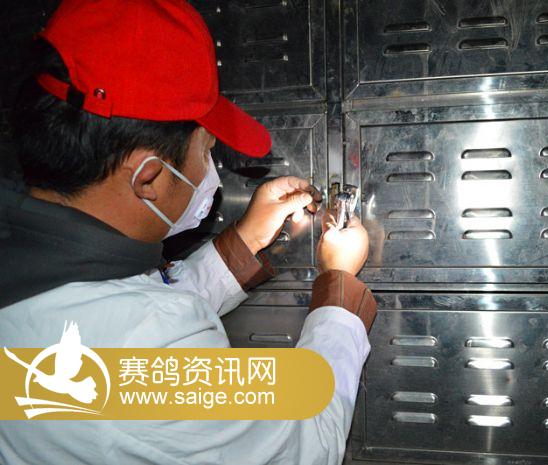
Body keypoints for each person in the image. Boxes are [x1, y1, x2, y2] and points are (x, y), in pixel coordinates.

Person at [0, 0, 376, 464]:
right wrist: (339, 286)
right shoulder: (146, 348)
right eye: (206, 151)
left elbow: (127, 312)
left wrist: (243, 242)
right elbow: (304, 441)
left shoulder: (41, 288)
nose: (208, 169)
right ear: (150, 178)